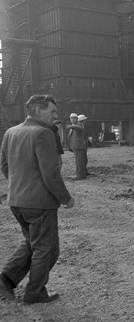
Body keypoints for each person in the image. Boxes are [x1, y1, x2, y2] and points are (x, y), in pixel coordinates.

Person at [0, 94, 74, 304]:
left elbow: (5, 166)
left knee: (32, 243)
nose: (55, 115)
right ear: (37, 111)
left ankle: (5, 279)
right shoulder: (42, 134)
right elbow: (50, 174)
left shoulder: (11, 132)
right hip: (39, 204)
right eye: (51, 111)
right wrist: (66, 199)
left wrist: (21, 186)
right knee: (47, 249)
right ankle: (35, 292)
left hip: (17, 201)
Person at [67, 114, 89, 179]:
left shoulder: (78, 125)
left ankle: (79, 176)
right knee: (80, 161)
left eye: (74, 118)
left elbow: (79, 128)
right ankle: (82, 174)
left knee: (79, 162)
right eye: (71, 118)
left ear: (77, 119)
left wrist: (71, 127)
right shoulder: (75, 126)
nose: (72, 120)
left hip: (78, 146)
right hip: (76, 146)